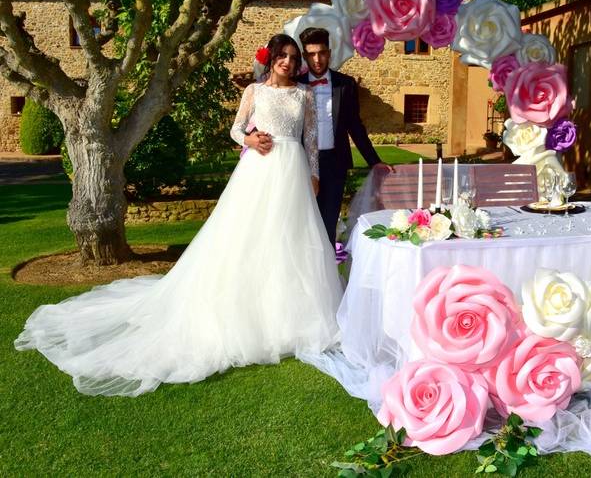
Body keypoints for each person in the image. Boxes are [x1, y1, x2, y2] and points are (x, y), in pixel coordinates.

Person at [14, 34, 342, 397]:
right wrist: (248, 141)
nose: (288, 62)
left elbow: (310, 139)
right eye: (282, 55)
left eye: (293, 57)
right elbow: (236, 128)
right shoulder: (254, 91)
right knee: (249, 239)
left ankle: (291, 318)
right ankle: (247, 315)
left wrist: (313, 174)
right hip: (260, 173)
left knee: (293, 242)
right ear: (271, 58)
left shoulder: (304, 95)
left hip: (293, 172)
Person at [296, 27, 392, 245]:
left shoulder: (345, 84)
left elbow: (355, 126)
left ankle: (325, 276)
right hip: (302, 164)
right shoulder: (296, 84)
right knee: (303, 226)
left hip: (334, 164)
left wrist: (374, 162)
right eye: (311, 54)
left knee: (329, 225)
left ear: (329, 53)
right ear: (304, 56)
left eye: (321, 53)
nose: (317, 59)